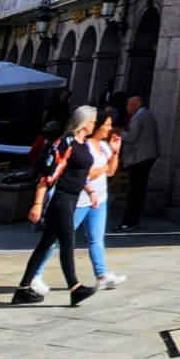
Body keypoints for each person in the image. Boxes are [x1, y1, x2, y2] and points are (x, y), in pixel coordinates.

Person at [13, 106, 99, 307]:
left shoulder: (83, 144)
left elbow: (80, 173)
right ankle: (75, 288)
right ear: (84, 122)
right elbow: (48, 174)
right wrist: (37, 203)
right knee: (68, 241)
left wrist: (91, 191)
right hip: (60, 199)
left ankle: (22, 290)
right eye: (93, 121)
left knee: (45, 245)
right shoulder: (65, 143)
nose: (95, 124)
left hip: (72, 198)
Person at [67, 112, 126, 291]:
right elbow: (85, 173)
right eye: (106, 125)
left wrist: (115, 151)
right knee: (61, 238)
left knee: (96, 238)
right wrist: (103, 168)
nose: (110, 128)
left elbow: (111, 172)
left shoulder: (103, 146)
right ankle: (35, 275)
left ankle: (102, 276)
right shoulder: (83, 147)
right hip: (80, 200)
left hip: (99, 199)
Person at [117, 95, 160, 230]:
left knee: (135, 190)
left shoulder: (138, 117)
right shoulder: (148, 114)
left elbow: (132, 137)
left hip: (140, 157)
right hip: (148, 155)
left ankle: (130, 220)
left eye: (128, 104)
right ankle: (132, 219)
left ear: (135, 105)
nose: (126, 107)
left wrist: (119, 133)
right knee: (138, 189)